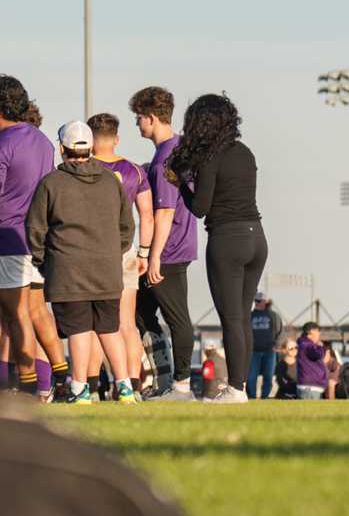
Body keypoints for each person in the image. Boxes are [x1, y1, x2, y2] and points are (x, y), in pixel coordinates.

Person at [0, 75, 72, 399]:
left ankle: (27, 386)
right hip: (39, 241)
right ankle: (63, 380)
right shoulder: (43, 141)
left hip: (8, 239)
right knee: (39, 312)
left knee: (16, 316)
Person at [24, 120, 137, 404]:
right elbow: (127, 227)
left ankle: (79, 388)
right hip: (108, 269)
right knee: (109, 328)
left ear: (62, 148)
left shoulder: (51, 183)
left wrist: (44, 261)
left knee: (78, 329)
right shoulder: (111, 181)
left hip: (67, 269)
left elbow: (34, 228)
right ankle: (125, 387)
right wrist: (112, 252)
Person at [164, 93, 261, 404]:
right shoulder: (244, 152)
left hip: (227, 238)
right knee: (242, 317)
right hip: (256, 236)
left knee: (231, 318)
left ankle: (234, 390)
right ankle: (240, 387)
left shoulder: (210, 156)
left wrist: (180, 184)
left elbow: (201, 207)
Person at [131, 85, 199, 400]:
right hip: (169, 247)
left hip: (168, 251)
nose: (137, 124)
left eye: (140, 117)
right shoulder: (177, 148)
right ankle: (165, 380)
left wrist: (153, 256)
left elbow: (165, 211)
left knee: (177, 317)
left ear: (153, 118)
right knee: (141, 314)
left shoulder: (165, 160)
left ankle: (182, 385)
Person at [88, 113, 154, 391]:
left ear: (90, 140)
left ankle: (89, 387)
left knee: (91, 324)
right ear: (116, 139)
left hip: (90, 252)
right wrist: (144, 253)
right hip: (126, 250)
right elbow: (147, 215)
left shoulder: (82, 168)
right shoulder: (135, 171)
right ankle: (131, 386)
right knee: (127, 323)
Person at [246, 294, 282, 401]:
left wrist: (276, 345)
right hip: (254, 351)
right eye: (256, 301)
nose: (257, 303)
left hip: (269, 351)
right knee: (251, 376)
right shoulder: (250, 315)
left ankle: (265, 398)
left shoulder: (273, 315)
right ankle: (252, 397)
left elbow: (280, 331)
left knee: (268, 376)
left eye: (259, 301)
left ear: (265, 302)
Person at [293, 322, 331, 399]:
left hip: (311, 387)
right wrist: (321, 347)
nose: (319, 334)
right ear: (311, 331)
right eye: (317, 331)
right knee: (308, 411)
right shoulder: (307, 345)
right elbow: (318, 354)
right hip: (309, 388)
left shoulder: (305, 344)